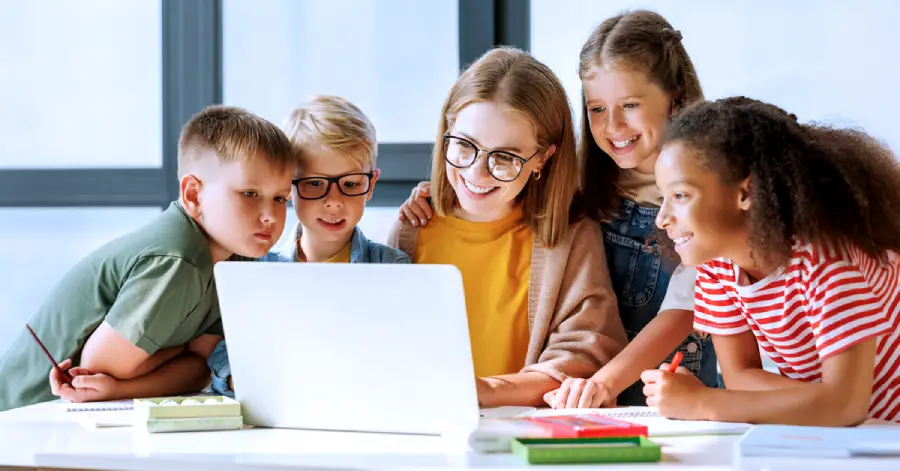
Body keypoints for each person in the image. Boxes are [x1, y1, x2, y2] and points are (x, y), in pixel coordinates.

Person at [2, 105, 297, 410]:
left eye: (280, 199)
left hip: (79, 415)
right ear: (194, 195)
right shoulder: (177, 260)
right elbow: (100, 367)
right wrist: (181, 354)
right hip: (25, 414)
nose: (270, 216)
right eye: (250, 194)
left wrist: (139, 377)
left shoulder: (237, 261)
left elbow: (198, 370)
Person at [387, 46, 628, 408]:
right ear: (447, 130)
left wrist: (486, 392)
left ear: (543, 158)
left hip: (523, 437)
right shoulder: (413, 228)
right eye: (465, 146)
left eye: (505, 158)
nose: (476, 174)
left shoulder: (569, 235)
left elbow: (585, 354)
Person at [643, 96, 900, 425]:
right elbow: (740, 378)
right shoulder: (717, 265)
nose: (662, 219)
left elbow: (846, 406)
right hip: (838, 432)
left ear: (746, 194)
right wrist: (819, 400)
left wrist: (703, 403)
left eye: (680, 196)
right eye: (663, 197)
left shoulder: (827, 261)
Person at [208, 95, 409, 396]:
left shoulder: (394, 268)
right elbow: (225, 353)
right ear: (289, 186)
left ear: (371, 184)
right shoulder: (256, 270)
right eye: (315, 183)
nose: (334, 201)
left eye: (351, 184)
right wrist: (243, 378)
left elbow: (406, 356)